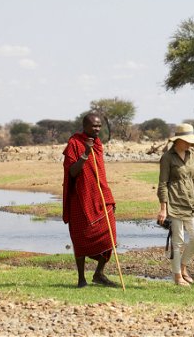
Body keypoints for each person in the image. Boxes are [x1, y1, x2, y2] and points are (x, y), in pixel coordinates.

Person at [62, 113, 118, 288]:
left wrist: (108, 197)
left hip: (100, 196)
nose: (97, 129)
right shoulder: (74, 143)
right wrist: (86, 152)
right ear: (85, 126)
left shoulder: (98, 144)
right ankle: (81, 278)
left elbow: (100, 173)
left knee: (110, 237)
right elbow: (72, 172)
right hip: (80, 198)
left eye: (99, 126)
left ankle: (99, 273)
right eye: (94, 126)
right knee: (80, 239)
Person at [157, 123, 194, 287]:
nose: (190, 144)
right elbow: (162, 184)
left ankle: (183, 266)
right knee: (178, 242)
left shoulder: (192, 155)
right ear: (178, 140)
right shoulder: (167, 157)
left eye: (191, 141)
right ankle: (177, 276)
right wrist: (163, 209)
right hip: (174, 204)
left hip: (190, 203)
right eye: (187, 141)